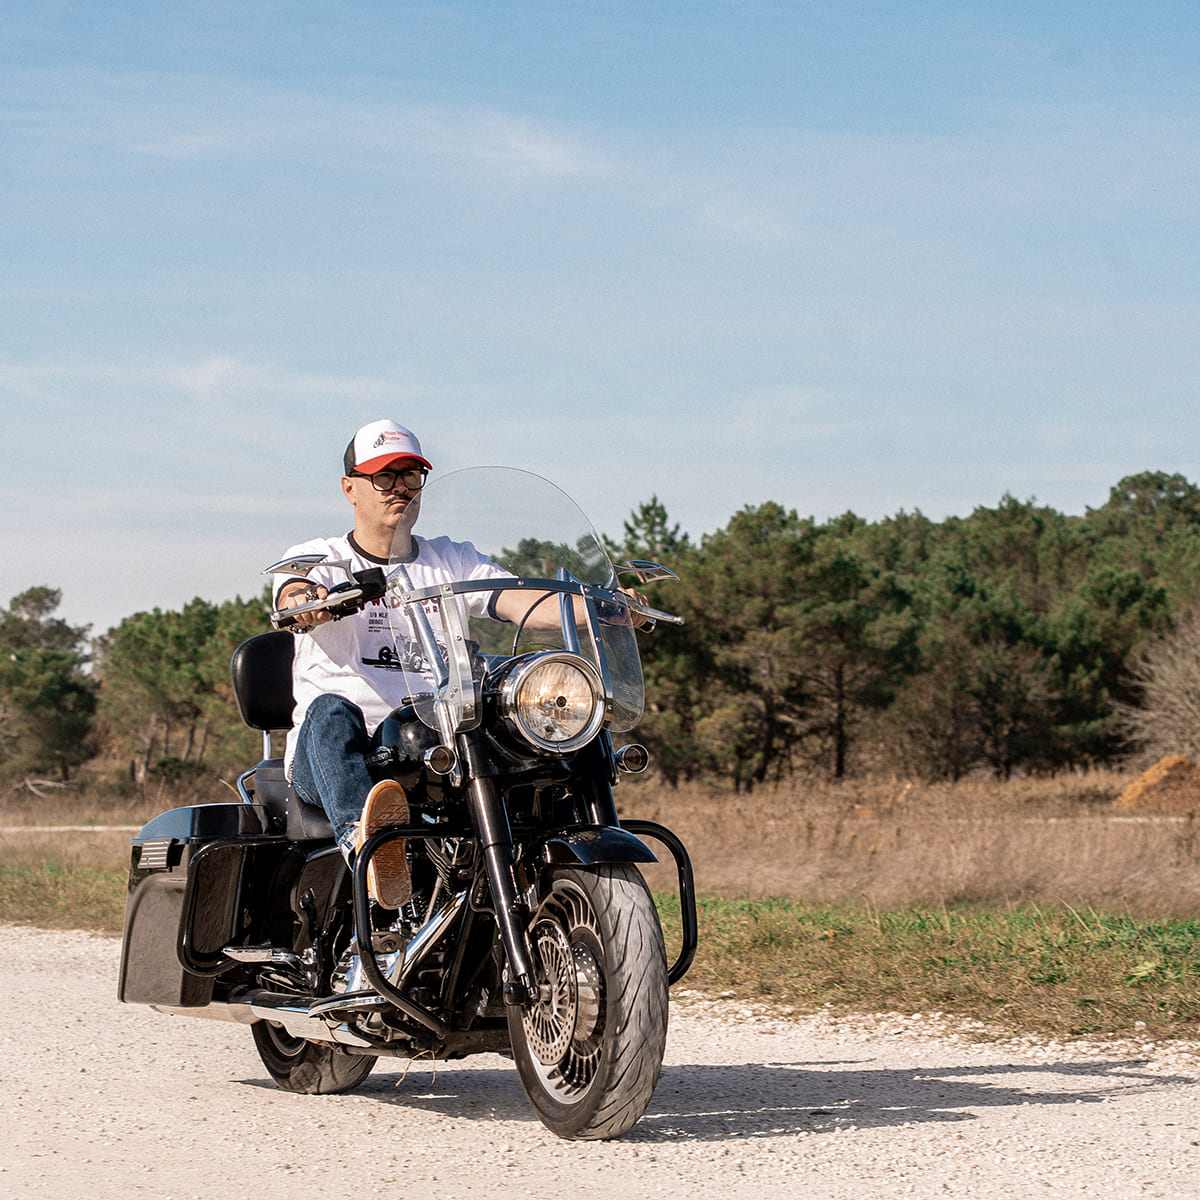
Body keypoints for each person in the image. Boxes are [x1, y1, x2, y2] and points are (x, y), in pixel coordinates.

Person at [274, 419, 646, 908]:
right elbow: (291, 593)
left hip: (431, 739)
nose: (399, 488)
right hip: (345, 751)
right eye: (384, 476)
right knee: (329, 710)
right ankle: (368, 848)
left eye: (410, 475)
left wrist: (602, 607)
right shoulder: (319, 557)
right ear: (351, 488)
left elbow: (519, 602)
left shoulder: (451, 559)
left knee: (538, 691)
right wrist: (310, 601)